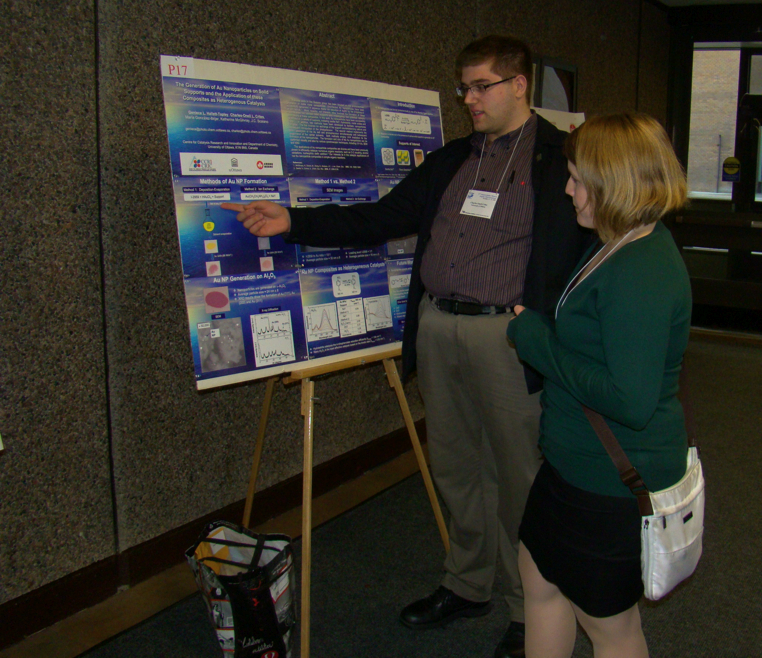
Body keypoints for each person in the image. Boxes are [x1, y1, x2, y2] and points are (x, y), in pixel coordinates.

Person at [223, 35, 592, 658]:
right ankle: (468, 583)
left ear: (519, 84)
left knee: (519, 476)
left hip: (509, 337)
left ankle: (529, 607)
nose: (469, 99)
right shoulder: (453, 161)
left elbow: (589, 244)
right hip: (438, 326)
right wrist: (294, 221)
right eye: (464, 87)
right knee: (455, 466)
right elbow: (382, 216)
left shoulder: (560, 157)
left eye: (482, 86)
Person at [506, 112, 691, 658]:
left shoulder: (641, 270)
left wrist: (535, 340)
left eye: (577, 179)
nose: (568, 191)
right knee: (540, 579)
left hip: (610, 483)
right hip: (575, 466)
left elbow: (630, 402)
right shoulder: (618, 241)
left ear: (616, 184)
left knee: (610, 626)